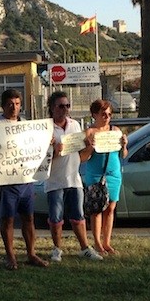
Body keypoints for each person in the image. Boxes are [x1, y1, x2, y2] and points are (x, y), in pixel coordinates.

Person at [0, 89, 49, 271]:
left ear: (20, 105)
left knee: (29, 218)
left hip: (26, 180)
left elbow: (38, 146)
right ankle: (11, 256)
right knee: (7, 219)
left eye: (17, 104)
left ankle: (31, 253)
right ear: (3, 106)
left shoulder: (26, 125)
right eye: (10, 104)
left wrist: (49, 143)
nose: (14, 107)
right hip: (6, 182)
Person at [45, 91, 103, 262]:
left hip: (74, 179)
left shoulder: (75, 126)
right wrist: (55, 152)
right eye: (61, 106)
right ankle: (57, 249)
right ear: (52, 108)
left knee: (78, 216)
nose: (65, 109)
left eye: (68, 106)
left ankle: (85, 247)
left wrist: (89, 147)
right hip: (54, 180)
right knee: (56, 218)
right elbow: (40, 160)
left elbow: (81, 157)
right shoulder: (46, 128)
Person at [81, 99, 128, 255]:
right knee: (97, 209)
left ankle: (107, 242)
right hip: (95, 174)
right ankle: (97, 243)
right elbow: (82, 158)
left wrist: (124, 145)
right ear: (94, 115)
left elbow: (123, 154)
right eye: (103, 114)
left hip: (113, 174)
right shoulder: (89, 133)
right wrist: (90, 147)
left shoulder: (115, 131)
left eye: (109, 114)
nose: (107, 117)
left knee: (111, 208)